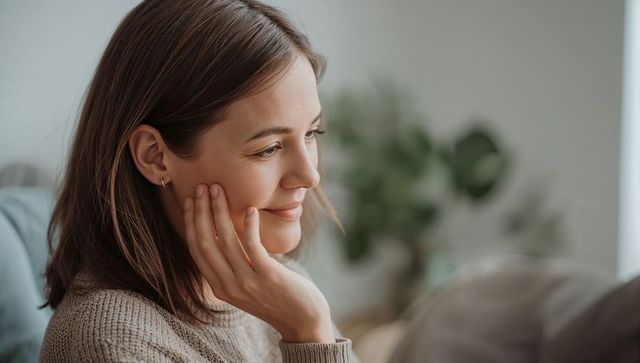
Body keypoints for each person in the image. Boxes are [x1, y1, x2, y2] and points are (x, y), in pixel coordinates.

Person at [38, 1, 359, 362]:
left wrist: (310, 328)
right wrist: (308, 335)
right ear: (155, 157)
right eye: (269, 148)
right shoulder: (111, 341)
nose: (310, 175)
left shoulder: (278, 288)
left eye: (312, 133)